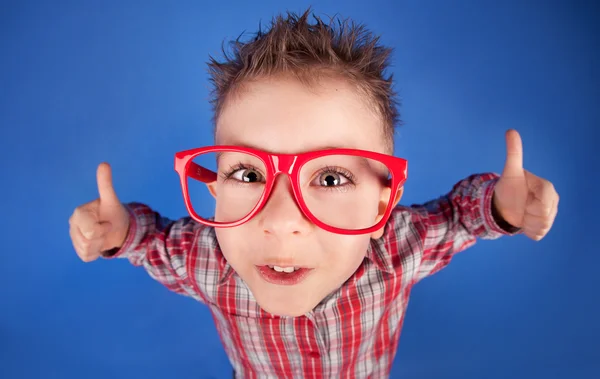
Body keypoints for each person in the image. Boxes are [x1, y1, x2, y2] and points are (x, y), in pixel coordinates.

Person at [68, 9, 559, 378]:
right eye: (246, 173)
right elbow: (151, 243)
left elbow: (458, 217)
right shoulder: (206, 259)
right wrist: (121, 232)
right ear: (213, 187)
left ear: (383, 202)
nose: (281, 221)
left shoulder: (398, 249)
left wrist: (499, 207)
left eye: (329, 178)